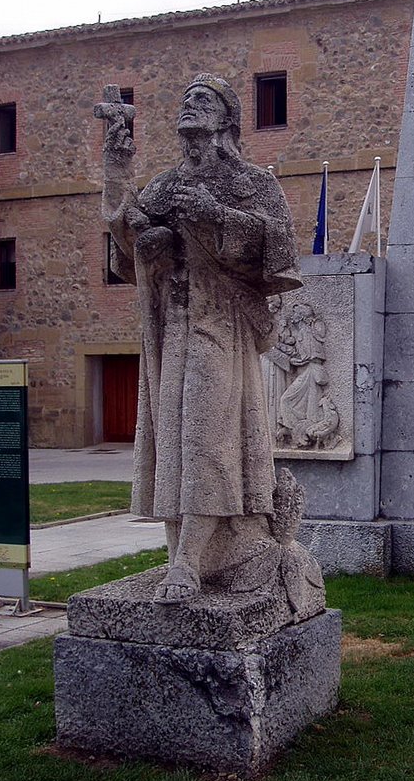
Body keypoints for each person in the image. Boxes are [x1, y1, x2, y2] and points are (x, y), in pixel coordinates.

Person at [102, 74, 303, 603]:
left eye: (205, 98)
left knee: (208, 438)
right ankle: (181, 556)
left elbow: (279, 244)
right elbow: (125, 238)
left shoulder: (253, 183)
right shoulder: (165, 185)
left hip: (223, 322)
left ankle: (192, 562)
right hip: (172, 323)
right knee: (171, 439)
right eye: (186, 96)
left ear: (227, 121)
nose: (191, 103)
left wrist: (217, 219)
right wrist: (117, 168)